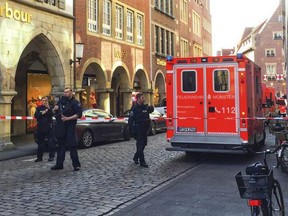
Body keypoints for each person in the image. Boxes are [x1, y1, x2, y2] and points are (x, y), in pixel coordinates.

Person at [51, 87, 82, 171]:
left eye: (67, 92)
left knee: (72, 145)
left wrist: (68, 118)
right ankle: (59, 164)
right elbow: (54, 111)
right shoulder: (61, 101)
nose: (65, 94)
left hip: (70, 126)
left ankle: (76, 165)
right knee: (60, 145)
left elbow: (79, 114)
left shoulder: (75, 103)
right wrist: (54, 109)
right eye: (64, 92)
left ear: (71, 93)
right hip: (61, 126)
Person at [129, 93, 154, 168]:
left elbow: (150, 111)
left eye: (144, 97)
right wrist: (132, 130)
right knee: (140, 145)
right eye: (142, 98)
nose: (144, 99)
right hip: (138, 129)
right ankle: (142, 162)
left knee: (143, 145)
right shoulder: (134, 108)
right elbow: (130, 120)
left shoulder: (145, 107)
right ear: (138, 99)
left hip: (145, 129)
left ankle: (136, 157)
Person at [34, 96, 55, 162]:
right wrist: (44, 112)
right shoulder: (39, 108)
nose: (44, 101)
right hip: (40, 127)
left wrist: (48, 108)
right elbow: (36, 115)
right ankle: (39, 157)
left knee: (51, 143)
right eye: (43, 100)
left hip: (49, 127)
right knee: (40, 144)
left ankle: (51, 156)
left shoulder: (50, 107)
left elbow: (52, 114)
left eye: (45, 100)